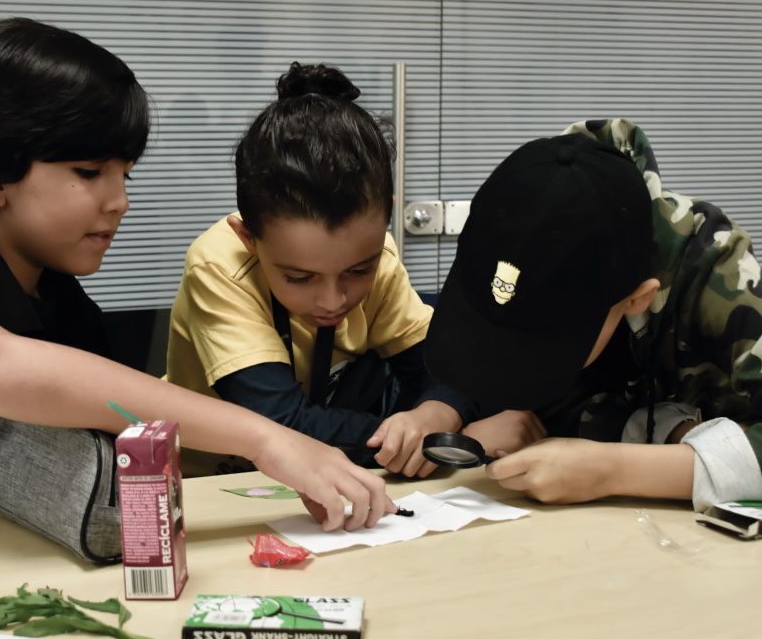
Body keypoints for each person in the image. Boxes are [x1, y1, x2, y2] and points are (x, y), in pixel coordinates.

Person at [0, 19, 393, 532]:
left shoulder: (66, 303)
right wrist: (268, 439)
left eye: (124, 173)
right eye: (89, 171)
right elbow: (2, 372)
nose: (119, 200)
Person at [424, 118, 762, 512]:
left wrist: (613, 470)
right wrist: (505, 413)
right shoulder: (530, 210)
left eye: (542, 345)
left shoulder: (715, 271)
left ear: (638, 299)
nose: (513, 359)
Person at [166, 62, 535, 477]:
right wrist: (443, 443)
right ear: (247, 237)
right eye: (299, 278)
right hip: (213, 484)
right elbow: (280, 425)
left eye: (359, 271)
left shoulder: (382, 258)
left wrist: (437, 413)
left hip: (333, 475)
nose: (333, 300)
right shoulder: (218, 266)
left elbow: (448, 370)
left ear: (386, 218)